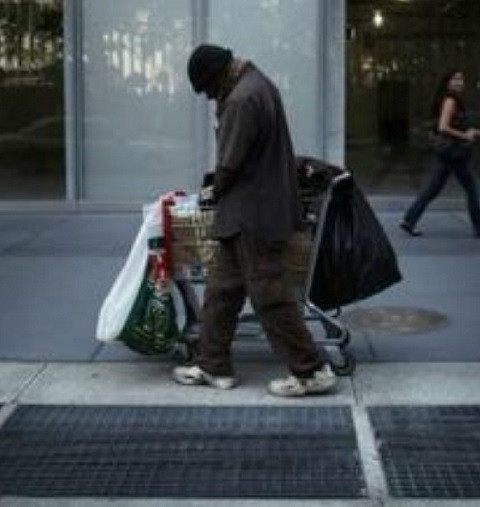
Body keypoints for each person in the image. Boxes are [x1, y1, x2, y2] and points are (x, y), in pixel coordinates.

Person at [173, 44, 337, 397]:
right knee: (221, 291)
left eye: (206, 89)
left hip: (253, 214)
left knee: (270, 296)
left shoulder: (241, 99)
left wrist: (210, 191)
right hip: (247, 212)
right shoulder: (255, 84)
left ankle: (311, 371)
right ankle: (212, 364)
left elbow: (230, 164)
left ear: (216, 77)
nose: (207, 97)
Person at [400, 70, 480, 237]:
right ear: (448, 82)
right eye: (455, 79)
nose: (460, 83)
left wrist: (471, 131)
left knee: (432, 189)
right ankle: (478, 227)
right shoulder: (450, 100)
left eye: (461, 79)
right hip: (453, 153)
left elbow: (453, 124)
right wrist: (465, 135)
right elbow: (443, 127)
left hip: (450, 153)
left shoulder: (454, 100)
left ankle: (409, 220)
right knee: (472, 189)